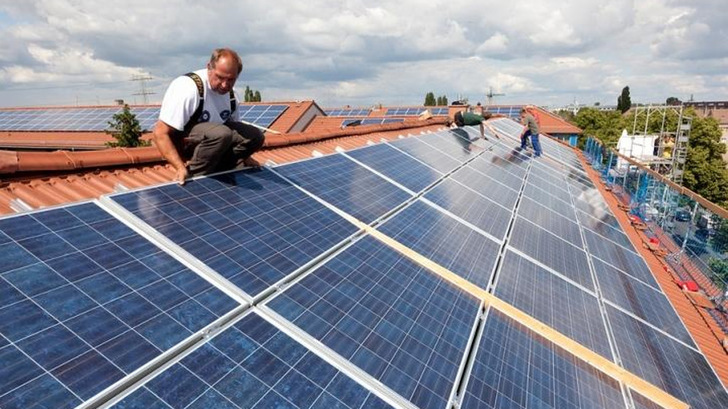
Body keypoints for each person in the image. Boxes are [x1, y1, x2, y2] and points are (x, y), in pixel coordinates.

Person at [153, 48, 265, 185]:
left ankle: (223, 167)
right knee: (221, 133)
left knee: (255, 136)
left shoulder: (232, 95)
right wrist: (179, 167)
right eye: (220, 77)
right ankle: (196, 174)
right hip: (186, 144)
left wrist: (246, 156)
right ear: (209, 68)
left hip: (214, 144)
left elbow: (237, 133)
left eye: (231, 80)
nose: (225, 85)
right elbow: (160, 133)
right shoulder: (188, 88)